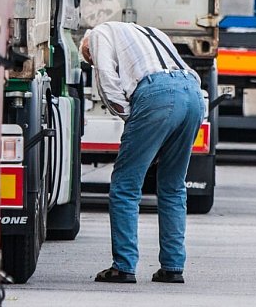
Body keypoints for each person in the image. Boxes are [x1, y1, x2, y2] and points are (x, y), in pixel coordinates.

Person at [80, 22, 207, 284]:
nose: (92, 59)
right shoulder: (151, 32)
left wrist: (133, 120)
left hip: (155, 95)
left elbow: (107, 79)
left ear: (87, 45)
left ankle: (123, 267)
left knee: (125, 186)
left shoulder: (98, 35)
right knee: (173, 186)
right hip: (193, 94)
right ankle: (173, 267)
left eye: (89, 57)